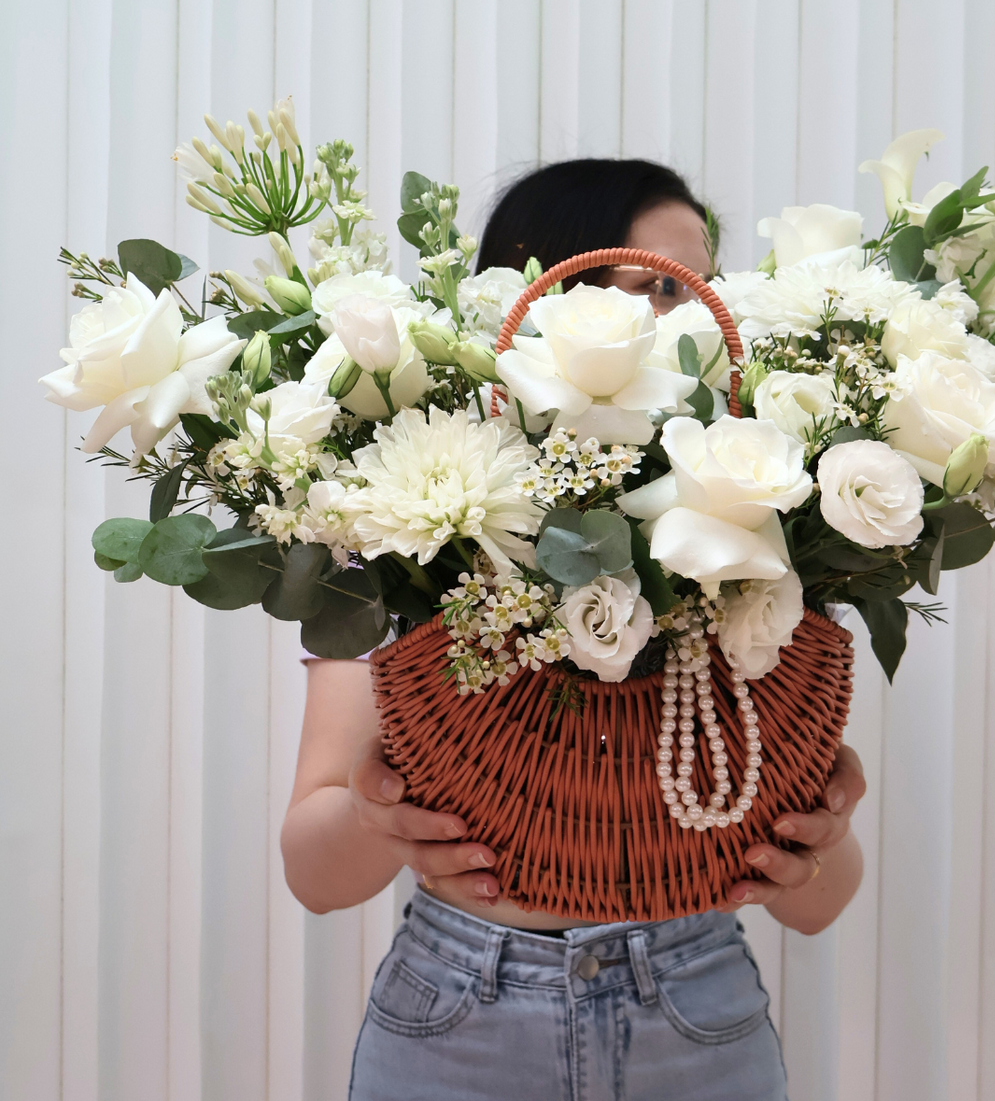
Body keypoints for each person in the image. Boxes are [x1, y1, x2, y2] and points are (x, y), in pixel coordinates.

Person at [280, 158, 867, 1101]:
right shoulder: (412, 529)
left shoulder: (752, 526)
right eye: (652, 286)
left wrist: (820, 833)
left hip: (697, 1005)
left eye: (702, 289)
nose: (689, 317)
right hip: (456, 1014)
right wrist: (377, 814)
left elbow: (819, 908)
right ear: (546, 294)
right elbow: (314, 872)